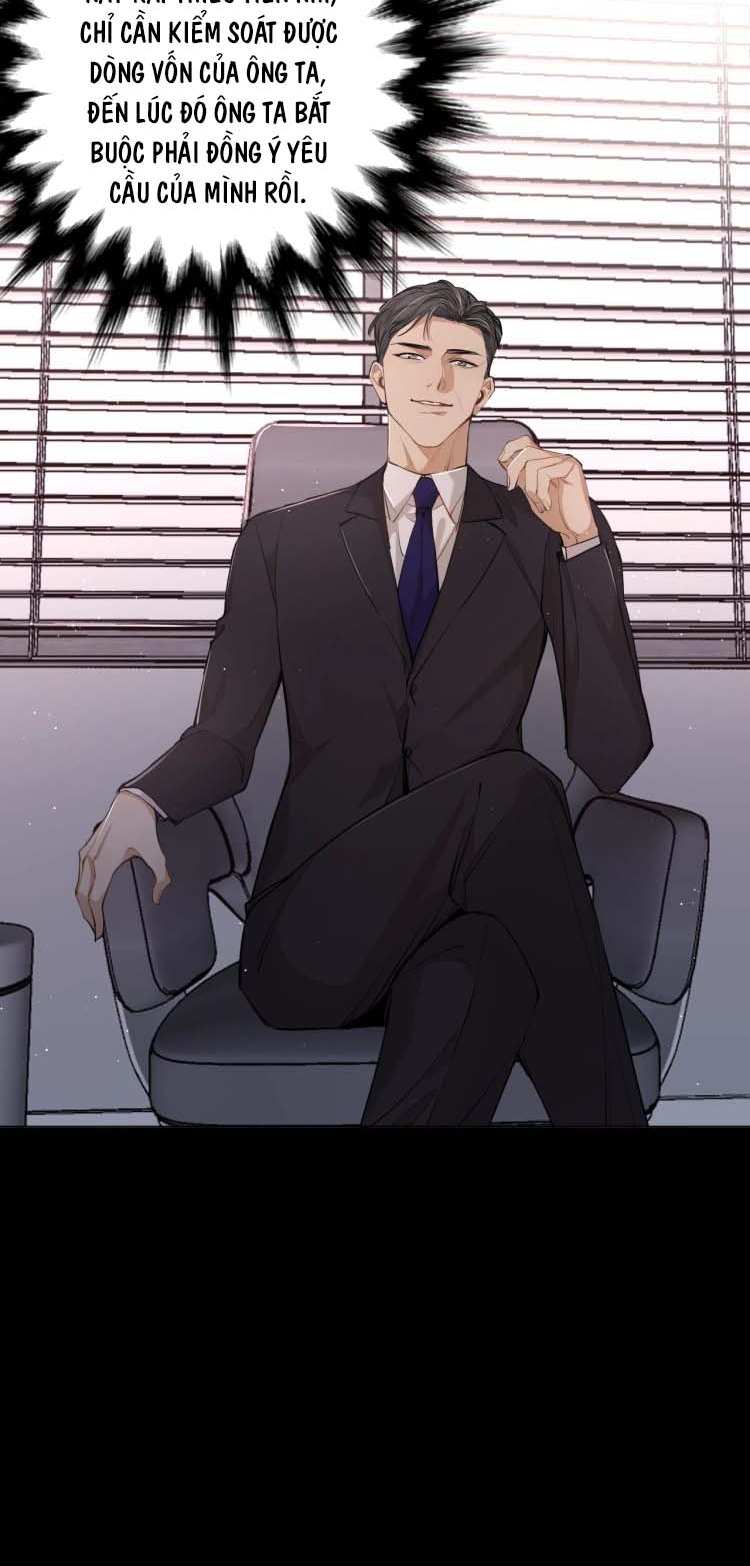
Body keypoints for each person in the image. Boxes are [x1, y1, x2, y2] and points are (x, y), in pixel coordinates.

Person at [75, 273, 653, 1129]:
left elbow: (612, 749)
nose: (437, 378)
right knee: (516, 784)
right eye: (413, 355)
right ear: (377, 377)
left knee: (485, 966)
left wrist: (580, 540)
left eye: (462, 362)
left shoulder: (538, 539)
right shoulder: (283, 542)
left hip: (459, 924)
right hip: (317, 933)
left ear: (487, 391)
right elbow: (226, 735)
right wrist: (143, 797)